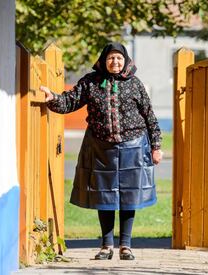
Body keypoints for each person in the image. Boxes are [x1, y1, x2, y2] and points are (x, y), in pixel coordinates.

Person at [40, 42, 163, 260]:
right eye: (110, 58)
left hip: (133, 146)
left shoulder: (134, 84)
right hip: (100, 147)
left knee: (128, 197)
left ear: (125, 61)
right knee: (104, 197)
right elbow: (71, 101)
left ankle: (126, 246)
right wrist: (53, 99)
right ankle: (107, 246)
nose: (115, 62)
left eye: (119, 58)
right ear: (103, 61)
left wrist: (156, 146)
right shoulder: (91, 82)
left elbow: (149, 116)